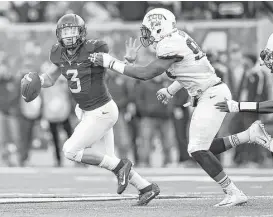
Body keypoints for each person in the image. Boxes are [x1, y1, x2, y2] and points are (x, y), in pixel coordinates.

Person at [89, 8, 273, 207]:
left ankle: (233, 192)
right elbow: (189, 71)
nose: (146, 35)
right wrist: (171, 90)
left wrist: (110, 62)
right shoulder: (177, 38)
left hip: (212, 94)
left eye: (149, 30)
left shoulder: (170, 44)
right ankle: (249, 135)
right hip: (209, 93)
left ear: (159, 28)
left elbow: (146, 74)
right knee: (203, 147)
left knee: (196, 149)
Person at [20, 13, 159, 206]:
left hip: (101, 111)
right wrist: (37, 81)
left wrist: (128, 61)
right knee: (108, 159)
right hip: (88, 111)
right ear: (59, 34)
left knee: (71, 151)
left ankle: (122, 166)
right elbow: (51, 78)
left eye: (72, 31)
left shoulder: (95, 48)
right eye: (65, 31)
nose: (68, 36)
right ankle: (146, 187)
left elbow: (114, 65)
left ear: (82, 32)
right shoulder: (58, 53)